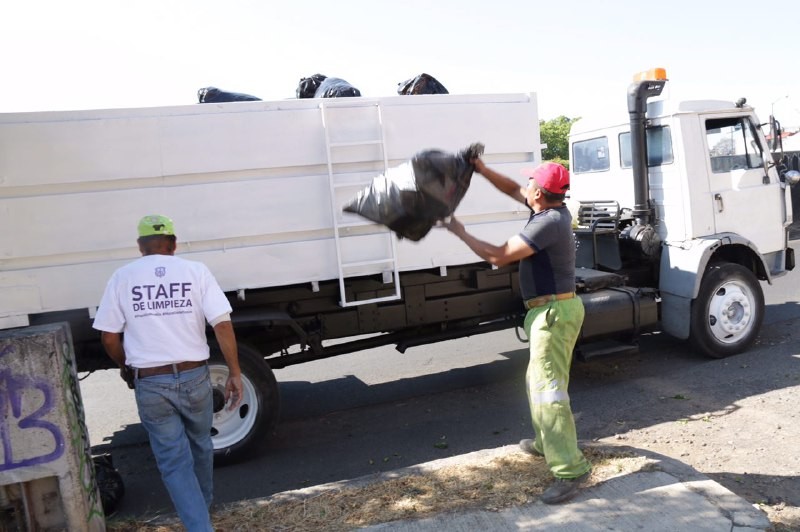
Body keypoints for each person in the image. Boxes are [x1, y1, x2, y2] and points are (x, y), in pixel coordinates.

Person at [442, 161, 591, 504]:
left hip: (554, 313)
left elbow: (498, 255)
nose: (525, 188)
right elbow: (511, 188)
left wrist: (459, 231)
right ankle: (545, 443)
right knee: (538, 385)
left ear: (539, 193)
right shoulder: (552, 209)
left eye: (530, 184)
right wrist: (480, 168)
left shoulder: (548, 223)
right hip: (551, 310)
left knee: (549, 391)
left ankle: (571, 469)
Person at [93, 214, 243, 531]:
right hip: (195, 378)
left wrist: (125, 366)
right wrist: (234, 372)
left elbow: (108, 337)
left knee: (174, 462)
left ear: (140, 246)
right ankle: (202, 512)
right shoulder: (195, 271)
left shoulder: (122, 277)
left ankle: (199, 520)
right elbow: (223, 324)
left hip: (151, 383)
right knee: (200, 443)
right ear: (173, 244)